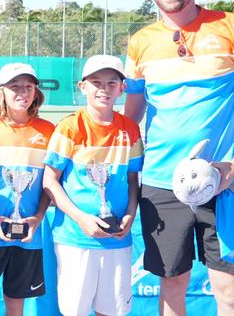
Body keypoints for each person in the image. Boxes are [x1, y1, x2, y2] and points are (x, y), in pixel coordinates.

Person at [123, 0, 234, 314]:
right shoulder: (140, 42)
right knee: (172, 284)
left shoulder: (232, 27)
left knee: (231, 289)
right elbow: (132, 115)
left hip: (225, 182)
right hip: (162, 183)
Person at [43, 55, 143, 316]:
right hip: (76, 238)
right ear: (82, 87)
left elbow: (133, 181)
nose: (104, 89)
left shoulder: (131, 129)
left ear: (122, 88)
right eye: (96, 82)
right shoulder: (68, 128)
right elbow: (49, 181)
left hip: (118, 240)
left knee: (112, 311)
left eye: (112, 83)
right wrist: (81, 219)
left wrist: (131, 214)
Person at [0, 63, 54, 316]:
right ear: (1, 92)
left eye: (28, 86)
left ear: (35, 92)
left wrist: (37, 218)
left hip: (29, 234)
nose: (22, 93)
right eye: (15, 86)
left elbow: (50, 183)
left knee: (16, 303)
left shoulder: (48, 130)